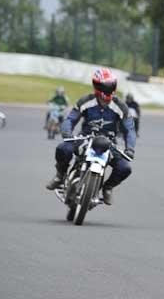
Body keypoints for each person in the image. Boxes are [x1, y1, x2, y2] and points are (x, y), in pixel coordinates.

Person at [45, 68, 135, 205]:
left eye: (111, 86)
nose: (108, 89)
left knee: (125, 168)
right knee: (63, 149)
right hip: (85, 139)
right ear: (96, 86)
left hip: (109, 144)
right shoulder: (85, 101)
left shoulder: (121, 106)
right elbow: (70, 119)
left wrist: (130, 148)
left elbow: (130, 129)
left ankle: (108, 187)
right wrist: (67, 133)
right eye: (105, 86)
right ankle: (60, 175)